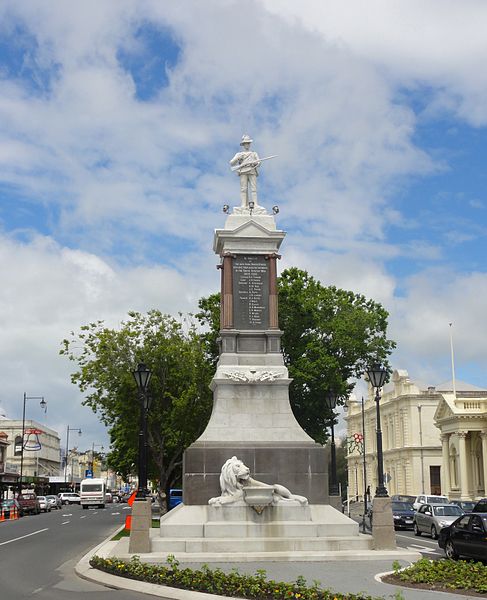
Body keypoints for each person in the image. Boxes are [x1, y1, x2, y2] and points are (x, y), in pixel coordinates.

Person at [229, 134, 260, 208]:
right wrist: (238, 158)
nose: (247, 145)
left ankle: (255, 204)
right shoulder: (239, 154)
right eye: (245, 143)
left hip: (252, 170)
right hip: (243, 171)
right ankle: (243, 204)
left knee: (254, 188)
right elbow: (231, 163)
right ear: (243, 144)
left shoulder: (254, 153)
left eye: (248, 143)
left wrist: (255, 162)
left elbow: (259, 163)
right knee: (243, 189)